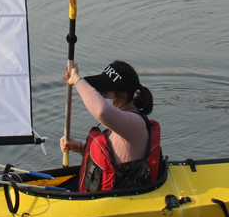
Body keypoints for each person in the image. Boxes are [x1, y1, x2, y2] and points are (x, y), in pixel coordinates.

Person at [60, 60, 160, 192]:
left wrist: (77, 80)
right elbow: (114, 160)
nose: (101, 97)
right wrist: (80, 148)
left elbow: (101, 110)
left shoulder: (135, 124)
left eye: (105, 94)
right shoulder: (122, 122)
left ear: (123, 97)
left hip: (117, 199)